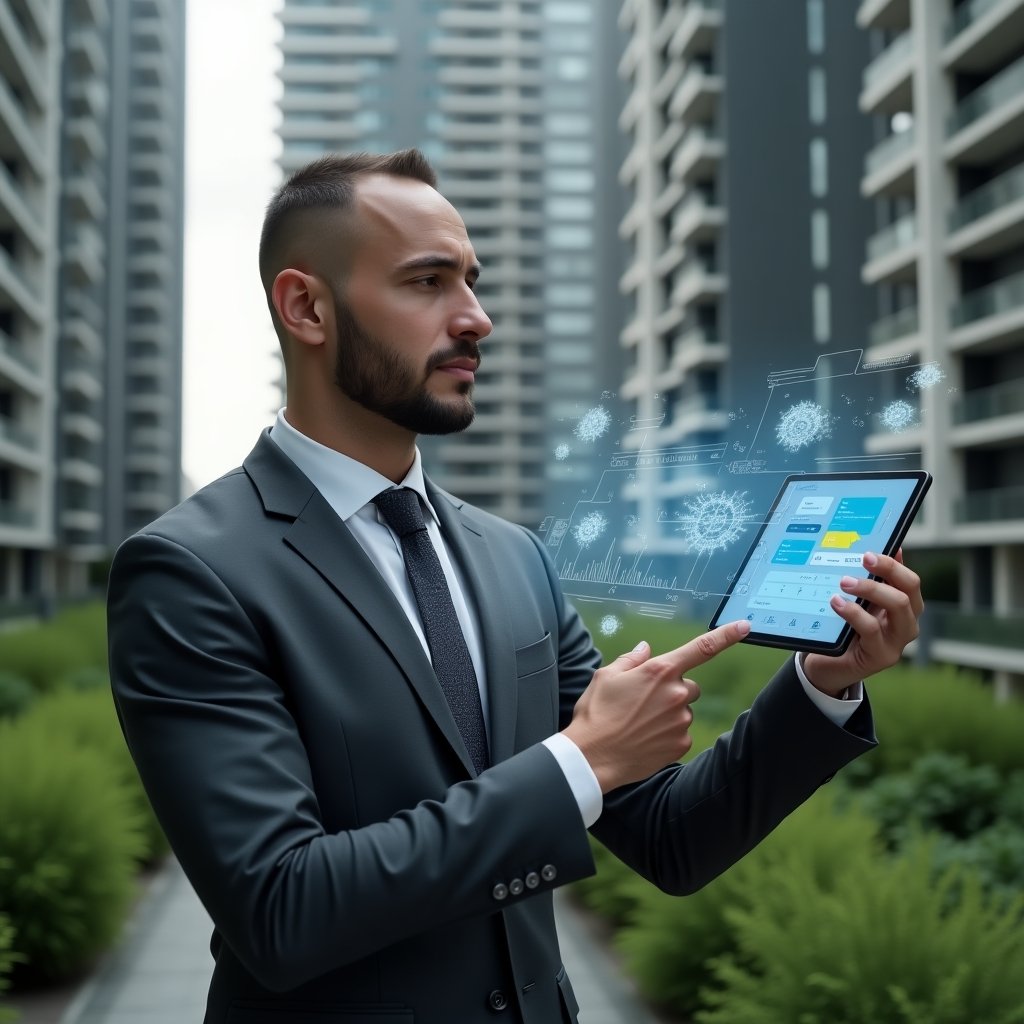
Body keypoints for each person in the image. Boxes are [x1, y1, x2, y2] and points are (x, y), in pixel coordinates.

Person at [107, 149, 924, 1024]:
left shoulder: (512, 557)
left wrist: (823, 685)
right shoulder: (191, 572)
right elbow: (280, 909)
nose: (477, 319)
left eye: (472, 281)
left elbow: (671, 837)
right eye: (428, 282)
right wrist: (578, 758)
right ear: (306, 306)